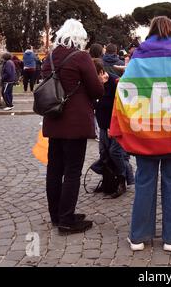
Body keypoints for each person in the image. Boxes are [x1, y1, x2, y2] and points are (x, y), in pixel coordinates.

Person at [110, 16, 171, 252]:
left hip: (145, 132)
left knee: (144, 181)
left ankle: (138, 236)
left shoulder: (138, 58)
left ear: (151, 30)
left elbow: (122, 92)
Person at [41, 19, 104, 235]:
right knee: (72, 170)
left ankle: (56, 215)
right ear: (80, 38)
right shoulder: (81, 57)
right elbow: (96, 91)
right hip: (75, 122)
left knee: (54, 168)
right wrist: (100, 82)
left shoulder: (49, 57)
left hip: (53, 118)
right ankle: (67, 219)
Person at [92, 58, 134, 198]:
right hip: (102, 125)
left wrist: (113, 126)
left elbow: (121, 107)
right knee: (104, 153)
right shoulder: (94, 85)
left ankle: (123, 181)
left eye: (95, 76)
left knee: (115, 153)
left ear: (102, 72)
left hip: (116, 125)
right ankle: (108, 181)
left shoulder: (115, 83)